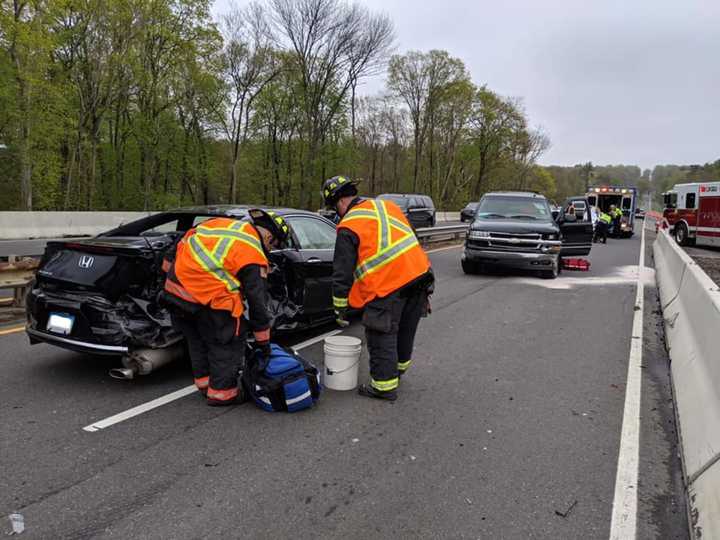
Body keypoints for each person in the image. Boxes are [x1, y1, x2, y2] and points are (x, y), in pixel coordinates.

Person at [161, 209, 290, 406]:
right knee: (226, 342)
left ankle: (204, 385)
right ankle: (222, 394)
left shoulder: (217, 224)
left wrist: (176, 280)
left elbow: (172, 253)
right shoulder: (252, 250)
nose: (270, 251)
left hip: (174, 293)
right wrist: (263, 341)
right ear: (269, 236)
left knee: (196, 340)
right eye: (274, 246)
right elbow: (258, 303)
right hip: (207, 300)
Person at [323, 175, 434, 401]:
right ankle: (398, 370)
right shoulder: (388, 206)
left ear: (339, 202)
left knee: (380, 332)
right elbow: (413, 238)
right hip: (420, 276)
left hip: (387, 285)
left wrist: (340, 308)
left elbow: (342, 272)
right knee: (406, 328)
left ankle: (384, 386)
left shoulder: (348, 225)